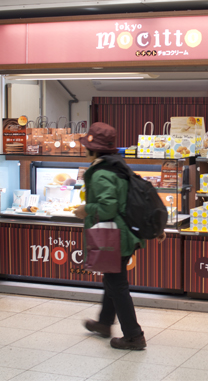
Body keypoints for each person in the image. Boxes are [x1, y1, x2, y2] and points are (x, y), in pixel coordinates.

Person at [74, 122, 165, 350]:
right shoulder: (117, 166)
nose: (84, 148)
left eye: (87, 145)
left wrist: (86, 209)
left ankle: (134, 335)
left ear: (94, 149)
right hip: (125, 234)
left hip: (115, 237)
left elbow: (107, 207)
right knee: (112, 279)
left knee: (117, 284)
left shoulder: (101, 173)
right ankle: (105, 323)